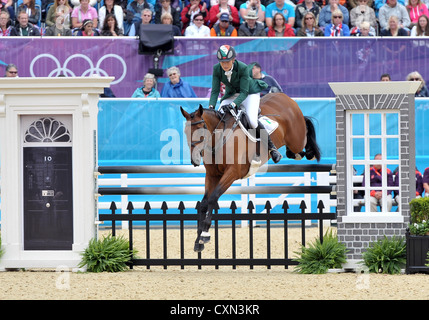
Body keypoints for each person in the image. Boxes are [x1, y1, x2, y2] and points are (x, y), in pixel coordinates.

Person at [208, 45, 282, 163]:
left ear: (233, 59)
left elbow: (244, 92)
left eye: (227, 61)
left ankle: (272, 148)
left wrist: (233, 105)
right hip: (232, 94)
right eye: (222, 62)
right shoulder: (217, 69)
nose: (225, 65)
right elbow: (215, 91)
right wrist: (211, 107)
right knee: (219, 117)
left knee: (252, 121)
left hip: (249, 94)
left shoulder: (243, 68)